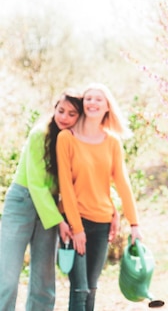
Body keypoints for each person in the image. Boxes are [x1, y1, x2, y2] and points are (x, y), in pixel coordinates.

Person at [56, 83, 142, 311]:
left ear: (107, 107)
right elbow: (65, 186)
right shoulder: (67, 138)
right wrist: (76, 227)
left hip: (102, 223)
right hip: (77, 222)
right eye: (88, 98)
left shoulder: (113, 142)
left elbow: (122, 184)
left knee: (92, 287)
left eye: (98, 99)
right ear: (83, 104)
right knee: (79, 289)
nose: (92, 103)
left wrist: (134, 224)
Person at [0, 90, 82, 310]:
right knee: (6, 277)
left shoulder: (74, 141)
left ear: (79, 117)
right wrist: (59, 221)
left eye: (72, 114)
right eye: (61, 110)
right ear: (54, 109)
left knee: (44, 281)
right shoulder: (40, 134)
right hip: (22, 201)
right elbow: (36, 184)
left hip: (50, 206)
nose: (64, 117)